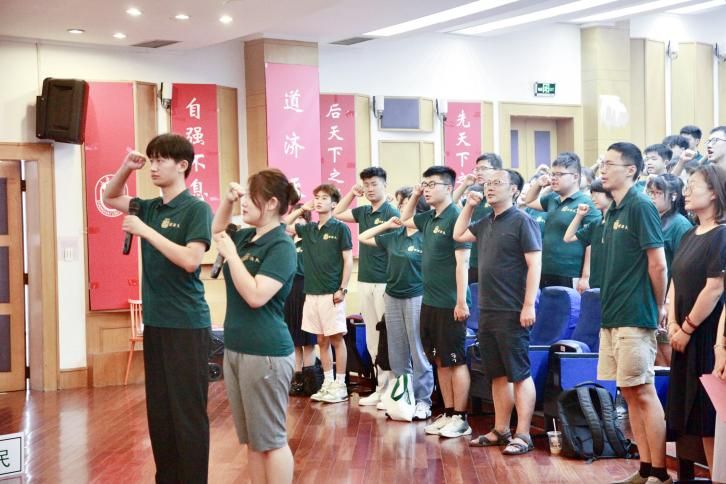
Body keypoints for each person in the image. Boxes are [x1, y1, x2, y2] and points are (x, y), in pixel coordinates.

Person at [103, 133, 213, 483]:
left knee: (187, 413)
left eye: (160, 160)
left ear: (182, 165)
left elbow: (191, 260)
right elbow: (110, 197)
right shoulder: (148, 207)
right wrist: (126, 167)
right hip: (156, 322)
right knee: (161, 412)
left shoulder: (196, 209)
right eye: (151, 160)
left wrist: (147, 232)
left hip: (187, 324)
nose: (153, 166)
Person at [212, 170, 300, 484]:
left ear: (272, 203)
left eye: (251, 197)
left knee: (272, 440)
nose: (244, 202)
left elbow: (255, 295)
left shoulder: (281, 246)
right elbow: (217, 230)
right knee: (253, 440)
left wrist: (232, 256)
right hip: (236, 349)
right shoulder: (246, 236)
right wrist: (227, 200)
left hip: (266, 353)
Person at [454, 169, 542, 456]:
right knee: (497, 375)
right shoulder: (486, 222)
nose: (490, 188)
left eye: (497, 183)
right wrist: (469, 205)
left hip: (513, 309)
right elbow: (458, 234)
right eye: (488, 183)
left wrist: (528, 304)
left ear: (514, 190)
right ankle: (501, 429)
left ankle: (523, 434)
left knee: (519, 373)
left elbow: (535, 265)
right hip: (488, 309)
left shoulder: (523, 221)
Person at [598, 142, 670, 484]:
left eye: (609, 164)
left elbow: (658, 263)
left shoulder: (641, 205)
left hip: (635, 314)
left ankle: (661, 472)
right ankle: (644, 468)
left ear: (631, 170)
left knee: (642, 391)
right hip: (612, 315)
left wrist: (660, 306)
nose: (602, 169)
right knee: (628, 392)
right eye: (602, 163)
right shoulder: (612, 210)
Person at [401, 165, 472, 438]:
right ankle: (449, 411)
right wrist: (415, 195)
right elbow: (404, 219)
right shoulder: (429, 218)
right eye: (425, 184)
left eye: (432, 185)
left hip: (451, 304)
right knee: (440, 359)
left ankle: (461, 418)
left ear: (449, 188)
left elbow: (462, 263)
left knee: (455, 360)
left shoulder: (457, 216)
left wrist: (461, 301)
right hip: (429, 301)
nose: (427, 189)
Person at [666, 164, 726, 479]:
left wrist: (687, 328)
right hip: (684, 335)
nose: (685, 192)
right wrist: (673, 324)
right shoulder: (689, 233)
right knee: (693, 418)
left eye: (693, 185)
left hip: (707, 335)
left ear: (714, 192)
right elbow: (675, 280)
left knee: (710, 415)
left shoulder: (722, 234)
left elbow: (714, 288)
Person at [358, 188, 434, 420]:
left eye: (406, 205)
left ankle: (423, 401)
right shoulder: (394, 236)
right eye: (401, 205)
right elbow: (363, 237)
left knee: (417, 350)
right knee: (397, 350)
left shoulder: (426, 236)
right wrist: (387, 225)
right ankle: (403, 397)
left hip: (416, 296)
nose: (402, 209)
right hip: (392, 296)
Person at [334, 167, 399, 406]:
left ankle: (393, 389)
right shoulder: (363, 211)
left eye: (374, 184)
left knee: (387, 338)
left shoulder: (392, 212)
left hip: (385, 282)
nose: (370, 189)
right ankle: (380, 387)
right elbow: (337, 213)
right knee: (372, 337)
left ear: (385, 185)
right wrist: (352, 193)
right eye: (366, 185)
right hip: (365, 280)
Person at [284, 185, 353, 403]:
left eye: (324, 198)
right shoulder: (309, 229)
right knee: (321, 340)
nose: (319, 201)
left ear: (334, 204)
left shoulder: (340, 228)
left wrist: (342, 288)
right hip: (311, 293)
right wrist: (302, 208)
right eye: (316, 197)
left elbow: (348, 260)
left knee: (336, 338)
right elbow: (282, 225)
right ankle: (327, 382)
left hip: (331, 292)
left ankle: (340, 385)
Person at [524, 151, 600, 288]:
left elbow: (593, 242)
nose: (554, 178)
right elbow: (529, 202)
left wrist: (586, 277)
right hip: (546, 269)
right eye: (552, 174)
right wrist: (538, 184)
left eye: (559, 174)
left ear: (575, 177)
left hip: (571, 272)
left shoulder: (587, 203)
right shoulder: (552, 199)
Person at [452, 153, 503, 284]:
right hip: (473, 258)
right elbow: (450, 203)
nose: (479, 172)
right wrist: (465, 184)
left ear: (497, 171)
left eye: (483, 168)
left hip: (495, 261)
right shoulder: (476, 197)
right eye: (477, 169)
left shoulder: (501, 197)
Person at [284, 204, 318, 396]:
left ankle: (309, 380)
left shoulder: (310, 239)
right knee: (294, 338)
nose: (296, 223)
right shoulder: (287, 241)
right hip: (290, 289)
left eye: (301, 219)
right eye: (295, 218)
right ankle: (296, 378)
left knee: (307, 338)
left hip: (306, 287)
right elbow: (281, 224)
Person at [562, 178, 612, 292]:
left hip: (612, 283)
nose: (593, 198)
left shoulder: (618, 222)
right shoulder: (596, 224)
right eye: (592, 194)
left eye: (597, 193)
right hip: (596, 282)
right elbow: (568, 238)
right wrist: (579, 215)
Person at [645, 174, 692, 277]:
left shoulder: (680, 225)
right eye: (651, 192)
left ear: (673, 196)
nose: (652, 197)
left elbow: (684, 267)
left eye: (658, 193)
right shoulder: (650, 219)